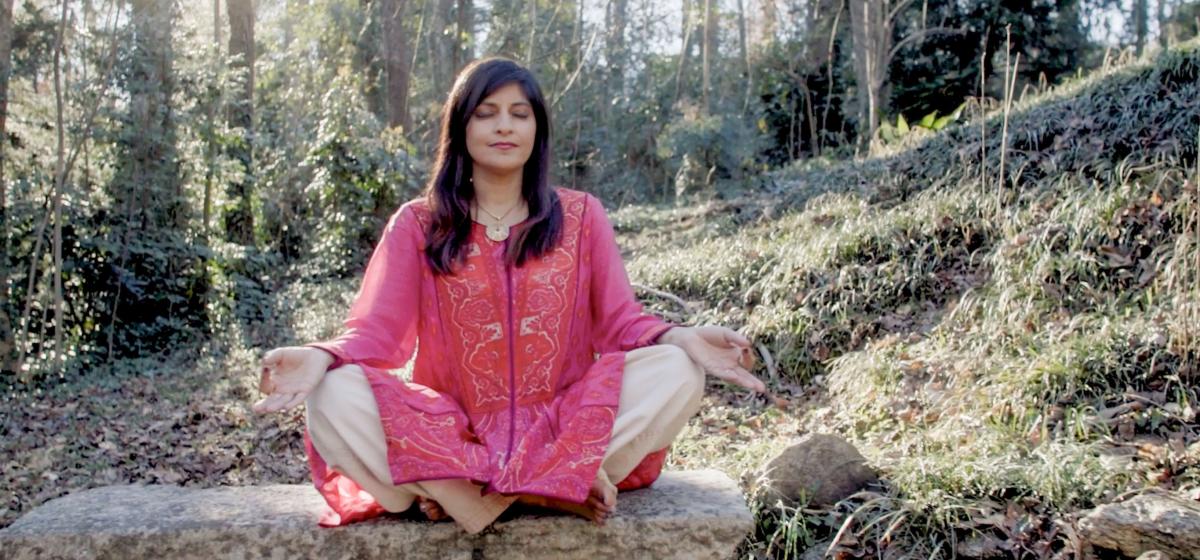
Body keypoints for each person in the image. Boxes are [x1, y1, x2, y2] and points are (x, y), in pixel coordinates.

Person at [250, 57, 765, 534]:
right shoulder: (418, 225)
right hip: (454, 436)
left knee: (676, 371)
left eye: (520, 114)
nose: (504, 126)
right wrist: (321, 356)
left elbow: (619, 322)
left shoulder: (581, 217)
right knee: (332, 395)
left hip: (562, 427)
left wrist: (680, 336)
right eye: (487, 113)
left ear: (536, 129)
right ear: (461, 128)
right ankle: (534, 491)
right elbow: (379, 335)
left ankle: (486, 492)